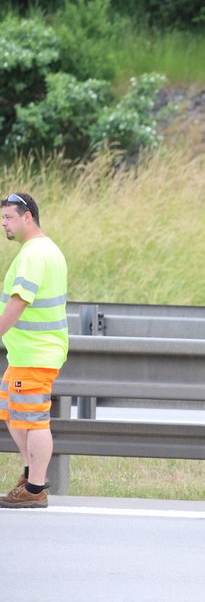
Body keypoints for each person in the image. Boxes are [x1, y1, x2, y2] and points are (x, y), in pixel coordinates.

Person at [0, 193, 69, 509]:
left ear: (28, 217)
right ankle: (30, 477)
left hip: (35, 354)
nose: (4, 224)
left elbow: (20, 300)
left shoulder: (33, 254)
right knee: (13, 414)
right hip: (27, 355)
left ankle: (36, 487)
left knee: (35, 420)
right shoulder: (47, 249)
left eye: (9, 217)